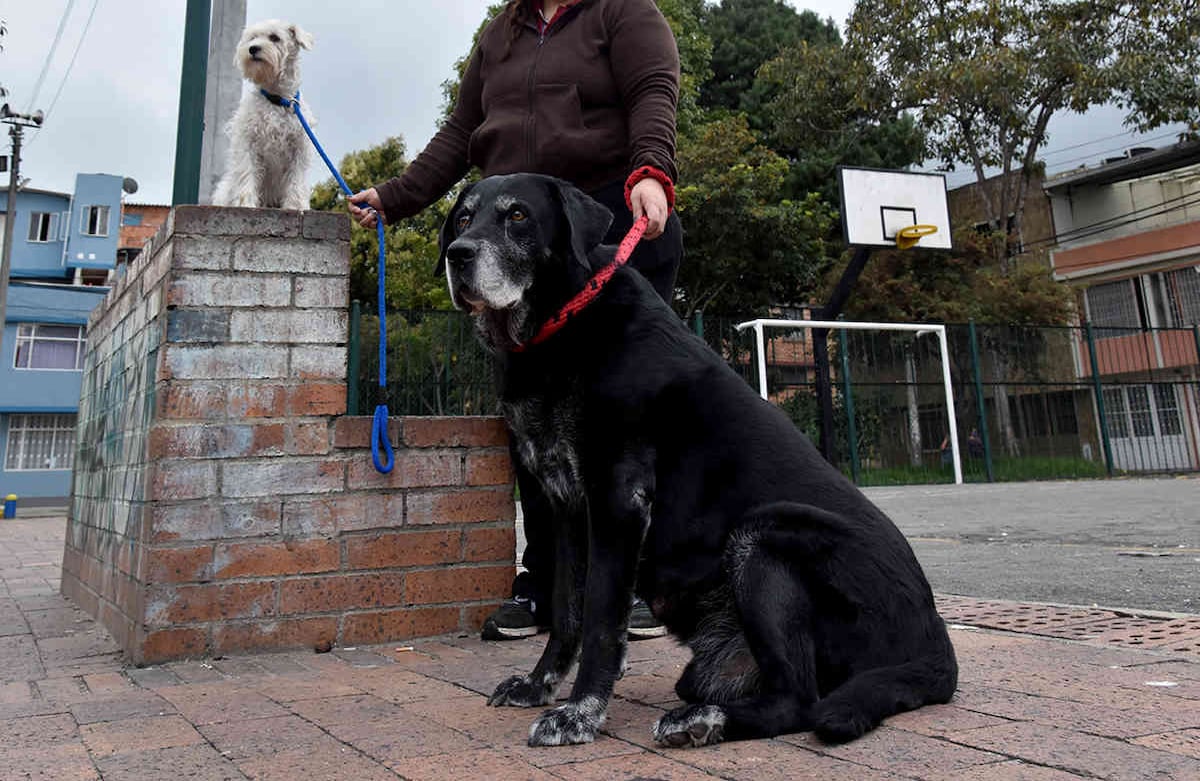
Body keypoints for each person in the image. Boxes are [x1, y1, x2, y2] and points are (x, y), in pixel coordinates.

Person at [349, 0, 682, 641]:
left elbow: (653, 91)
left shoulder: (623, 12)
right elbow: (459, 132)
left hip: (604, 221)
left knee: (621, 414)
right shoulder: (499, 34)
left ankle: (640, 580)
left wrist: (652, 173)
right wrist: (398, 197)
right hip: (517, 229)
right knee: (534, 414)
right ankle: (546, 586)